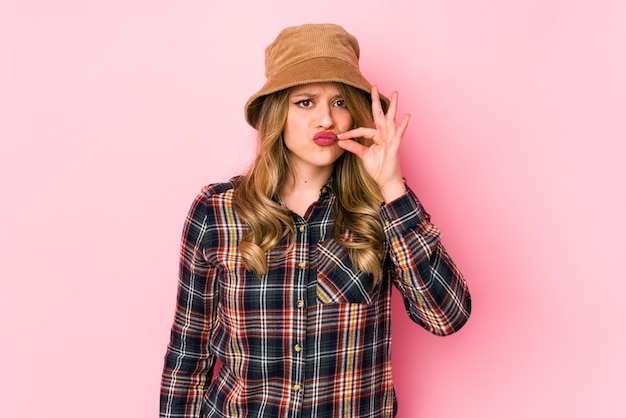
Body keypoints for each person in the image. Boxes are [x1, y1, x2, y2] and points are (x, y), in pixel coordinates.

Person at [160, 23, 471, 418]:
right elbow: (189, 348)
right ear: (278, 115)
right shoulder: (217, 211)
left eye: (340, 103)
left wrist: (392, 187)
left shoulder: (384, 210)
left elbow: (446, 316)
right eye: (305, 102)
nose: (326, 119)